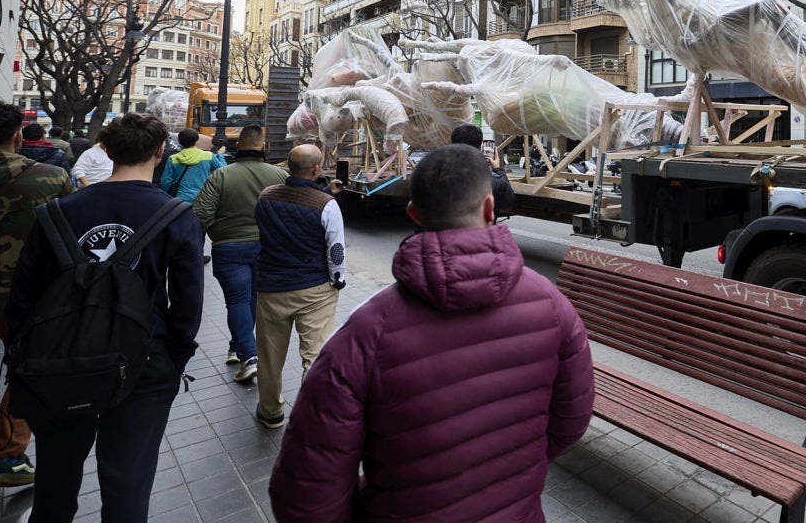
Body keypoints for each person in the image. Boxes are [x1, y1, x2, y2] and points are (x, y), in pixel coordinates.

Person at [269, 144, 594, 523]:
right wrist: (507, 471)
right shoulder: (552, 305)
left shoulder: (364, 332)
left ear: (413, 214)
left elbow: (306, 491)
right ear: (490, 208)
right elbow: (571, 420)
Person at [6, 113, 204, 523]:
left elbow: (25, 292)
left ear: (107, 151)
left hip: (59, 360)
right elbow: (188, 301)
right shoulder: (176, 215)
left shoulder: (58, 211)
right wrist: (176, 356)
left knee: (56, 479)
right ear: (159, 151)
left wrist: (22, 355)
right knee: (128, 481)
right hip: (144, 359)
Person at [0, 102, 71, 487]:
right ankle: (8, 453)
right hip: (24, 295)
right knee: (24, 369)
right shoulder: (52, 178)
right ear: (16, 138)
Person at [252, 145, 346, 429]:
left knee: (269, 357)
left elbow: (284, 220)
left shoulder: (265, 197)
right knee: (315, 355)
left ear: (288, 166)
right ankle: (311, 416)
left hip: (271, 287)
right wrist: (337, 279)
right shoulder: (326, 205)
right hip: (314, 289)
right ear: (316, 169)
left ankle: (270, 412)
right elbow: (336, 249)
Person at [193, 125, 287, 383]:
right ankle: (240, 346)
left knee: (237, 301)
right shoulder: (279, 175)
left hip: (228, 247)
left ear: (238, 146)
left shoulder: (220, 176)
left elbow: (200, 215)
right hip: (267, 248)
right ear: (263, 148)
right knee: (253, 298)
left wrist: (215, 233)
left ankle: (247, 354)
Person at [450, 123, 516, 215]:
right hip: (480, 228)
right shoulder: (495, 182)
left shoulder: (435, 176)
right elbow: (508, 205)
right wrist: (498, 169)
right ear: (480, 149)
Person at [159, 128, 226, 203]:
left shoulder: (173, 159)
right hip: (203, 199)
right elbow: (223, 170)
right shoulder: (208, 156)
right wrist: (220, 155)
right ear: (196, 140)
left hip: (181, 201)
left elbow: (165, 183)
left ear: (179, 141)